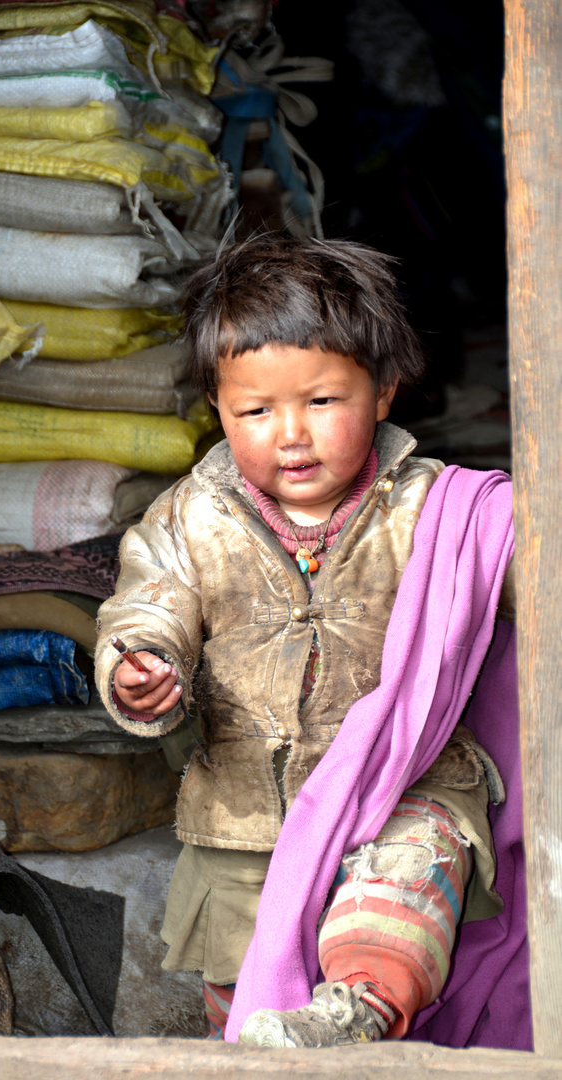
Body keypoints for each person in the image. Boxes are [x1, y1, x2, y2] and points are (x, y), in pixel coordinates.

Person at [94, 234, 515, 1048]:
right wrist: (138, 665)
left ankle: (357, 1010)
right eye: (254, 411)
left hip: (402, 789)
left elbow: (522, 568)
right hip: (247, 816)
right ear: (216, 408)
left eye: (320, 402)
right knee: (244, 995)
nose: (289, 434)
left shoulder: (439, 510)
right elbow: (146, 605)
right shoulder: (190, 517)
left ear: (384, 389)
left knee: (395, 900)